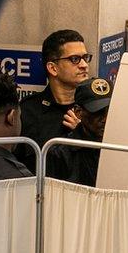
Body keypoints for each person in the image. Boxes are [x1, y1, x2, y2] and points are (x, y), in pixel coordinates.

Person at [18, 29, 91, 171]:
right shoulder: (28, 111)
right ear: (53, 68)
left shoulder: (94, 110)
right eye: (75, 59)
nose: (84, 65)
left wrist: (85, 132)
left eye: (85, 57)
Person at [48, 77, 112, 186]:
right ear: (78, 112)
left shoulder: (123, 147)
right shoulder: (60, 153)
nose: (105, 118)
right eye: (98, 112)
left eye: (110, 110)